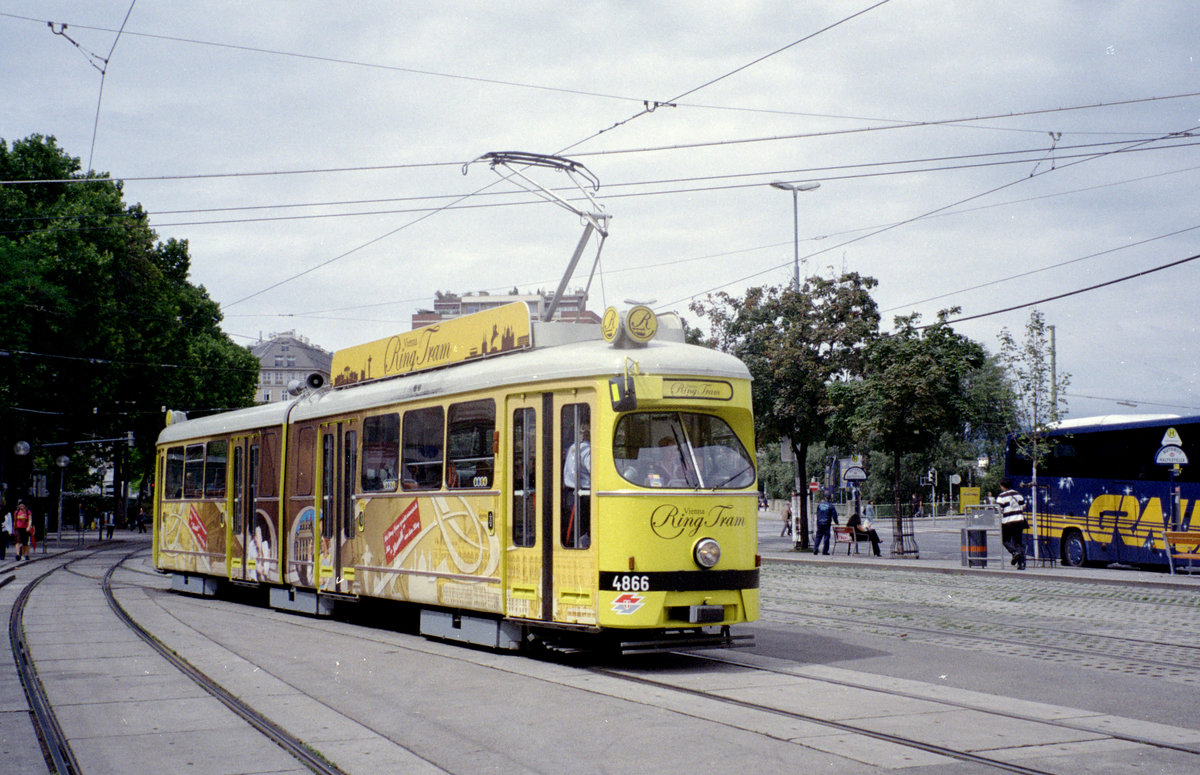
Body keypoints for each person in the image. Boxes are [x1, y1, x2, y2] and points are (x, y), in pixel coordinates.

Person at [562, 422, 591, 548]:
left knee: (575, 526)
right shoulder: (586, 449)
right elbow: (594, 470)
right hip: (583, 494)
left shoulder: (573, 447)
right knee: (585, 527)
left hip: (571, 493)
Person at [996, 478, 1028, 569]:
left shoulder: (1001, 496)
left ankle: (1014, 552)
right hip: (1019, 520)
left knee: (1005, 540)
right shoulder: (1018, 494)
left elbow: (999, 509)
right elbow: (1023, 506)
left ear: (1002, 486)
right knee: (1018, 542)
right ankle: (1021, 564)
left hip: (1008, 521)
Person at [812, 491, 839, 555]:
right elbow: (834, 515)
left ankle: (815, 549)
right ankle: (825, 551)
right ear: (830, 498)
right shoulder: (831, 506)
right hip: (826, 523)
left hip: (819, 522)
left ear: (824, 498)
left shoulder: (820, 505)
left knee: (818, 536)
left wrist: (818, 520)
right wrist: (836, 522)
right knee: (826, 537)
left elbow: (817, 513)